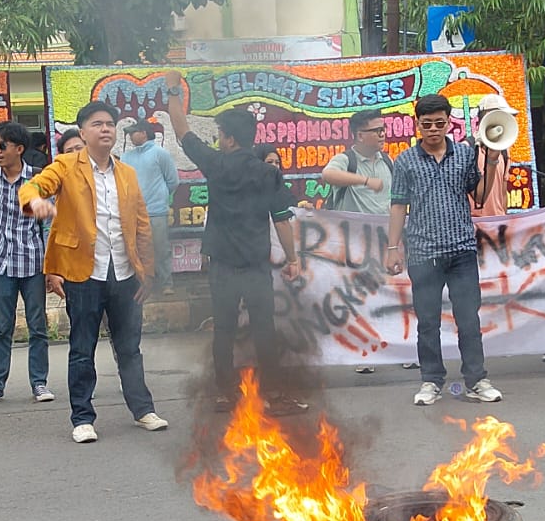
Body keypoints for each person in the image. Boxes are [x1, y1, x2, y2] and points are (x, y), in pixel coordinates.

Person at [21, 101, 168, 444]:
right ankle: (83, 418)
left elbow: (142, 225)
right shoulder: (65, 166)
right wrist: (35, 203)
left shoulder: (127, 173)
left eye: (110, 125)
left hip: (124, 271)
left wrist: (147, 272)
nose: (106, 129)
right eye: (98, 124)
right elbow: (33, 188)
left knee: (129, 346)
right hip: (83, 273)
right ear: (83, 131)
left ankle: (143, 410)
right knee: (82, 346)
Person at [162, 71, 305, 414]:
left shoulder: (215, 164)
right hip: (256, 263)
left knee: (223, 329)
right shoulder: (268, 172)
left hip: (223, 263)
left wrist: (172, 91)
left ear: (226, 138)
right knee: (264, 329)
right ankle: (273, 395)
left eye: (221, 134)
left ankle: (226, 394)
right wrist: (293, 259)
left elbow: (182, 132)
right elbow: (282, 219)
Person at [384, 93, 505, 406]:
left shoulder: (465, 154)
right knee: (428, 322)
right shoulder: (405, 161)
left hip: (462, 249)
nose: (434, 129)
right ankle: (431, 380)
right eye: (427, 124)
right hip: (423, 253)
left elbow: (478, 195)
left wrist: (491, 160)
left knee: (469, 320)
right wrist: (392, 246)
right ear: (417, 125)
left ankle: (477, 379)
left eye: (440, 123)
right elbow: (398, 205)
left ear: (449, 122)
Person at [0, 121, 55, 407]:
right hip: (1, 264)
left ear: (19, 149)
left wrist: (51, 266)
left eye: (2, 145)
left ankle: (39, 382)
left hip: (33, 262)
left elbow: (49, 226)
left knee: (38, 325)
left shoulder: (39, 179)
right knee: (2, 327)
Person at [321, 108, 395, 374]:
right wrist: (363, 180)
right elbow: (328, 175)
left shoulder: (387, 162)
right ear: (359, 134)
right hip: (354, 246)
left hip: (387, 243)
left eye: (383, 130)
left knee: (394, 296)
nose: (382, 135)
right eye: (377, 131)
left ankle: (403, 350)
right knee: (361, 299)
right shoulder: (346, 160)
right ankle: (366, 353)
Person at [119, 120, 181, 295]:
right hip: (132, 213)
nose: (130, 136)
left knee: (160, 248)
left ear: (144, 133)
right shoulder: (126, 157)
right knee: (136, 249)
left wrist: (159, 197)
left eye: (133, 133)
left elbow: (173, 181)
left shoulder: (160, 153)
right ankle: (142, 284)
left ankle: (166, 283)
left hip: (156, 211)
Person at [469, 94, 519, 217]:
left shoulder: (503, 152)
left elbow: (503, 192)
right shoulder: (467, 149)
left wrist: (504, 218)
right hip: (477, 225)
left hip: (497, 222)